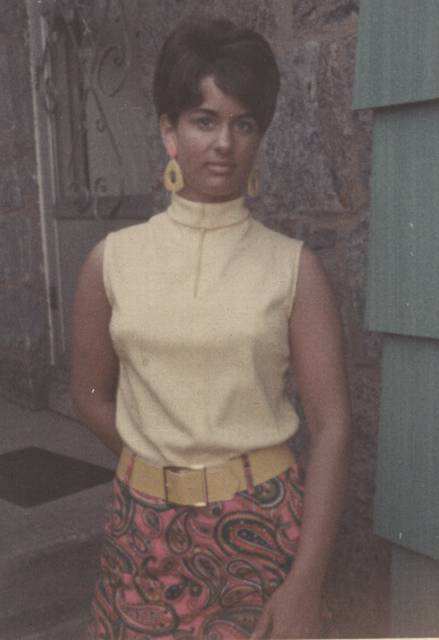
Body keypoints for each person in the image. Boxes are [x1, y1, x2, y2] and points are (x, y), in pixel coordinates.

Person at [72, 16, 351, 640]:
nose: (224, 142)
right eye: (204, 120)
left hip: (262, 532)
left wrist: (306, 583)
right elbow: (88, 395)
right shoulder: (111, 262)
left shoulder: (293, 268)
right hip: (141, 535)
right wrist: (157, 461)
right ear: (169, 132)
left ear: (258, 137)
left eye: (242, 123)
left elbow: (332, 428)